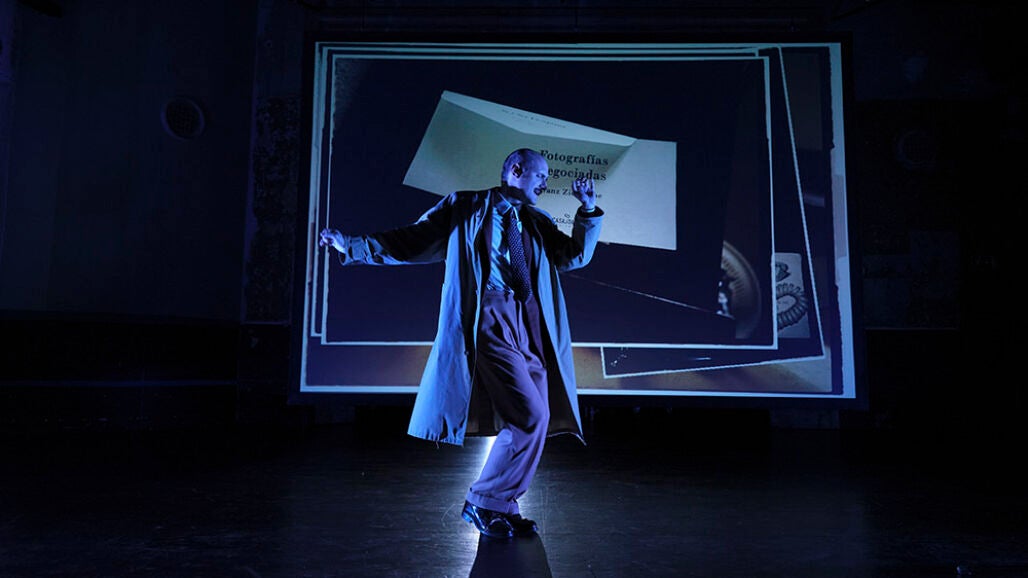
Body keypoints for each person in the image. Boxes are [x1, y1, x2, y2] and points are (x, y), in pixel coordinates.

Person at [319, 148, 603, 539]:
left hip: (529, 323)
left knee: (534, 420)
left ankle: (502, 504)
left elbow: (572, 257)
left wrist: (587, 211)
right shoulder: (466, 206)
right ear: (516, 169)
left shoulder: (536, 221)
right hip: (488, 318)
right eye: (540, 175)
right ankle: (483, 501)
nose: (545, 183)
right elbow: (411, 241)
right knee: (530, 415)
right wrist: (350, 245)